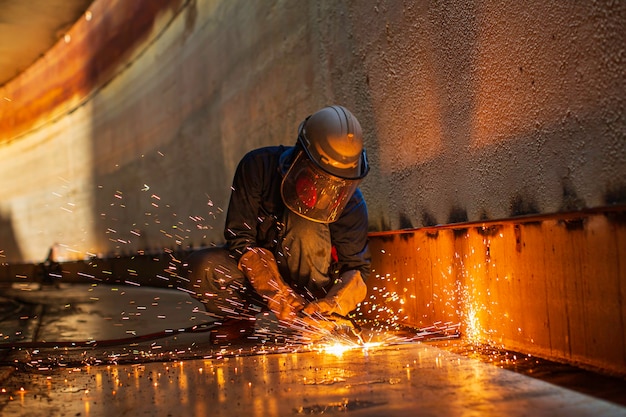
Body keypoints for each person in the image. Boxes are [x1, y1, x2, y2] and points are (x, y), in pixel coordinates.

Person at [185, 105, 370, 330]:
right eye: (321, 178)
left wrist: (331, 305)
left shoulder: (352, 203)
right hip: (256, 282)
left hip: (312, 291)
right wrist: (280, 296)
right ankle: (239, 319)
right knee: (205, 268)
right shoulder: (258, 167)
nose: (327, 190)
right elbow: (240, 241)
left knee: (308, 224)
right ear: (301, 155)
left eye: (337, 183)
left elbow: (356, 270)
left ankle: (309, 321)